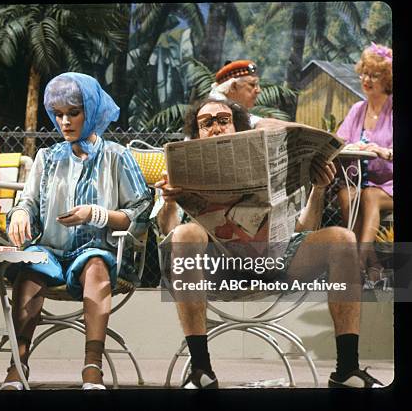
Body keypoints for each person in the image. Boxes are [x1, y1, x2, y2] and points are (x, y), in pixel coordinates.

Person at [155, 97, 384, 389]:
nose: (215, 128)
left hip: (276, 258)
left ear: (237, 127)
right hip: (218, 268)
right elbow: (168, 230)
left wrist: (318, 189)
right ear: (197, 132)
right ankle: (201, 370)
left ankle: (346, 371)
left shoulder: (273, 159)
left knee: (343, 238)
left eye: (223, 120)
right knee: (186, 235)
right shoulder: (179, 170)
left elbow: (304, 228)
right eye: (206, 123)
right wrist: (170, 203)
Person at [1, 72, 153, 390]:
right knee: (31, 264)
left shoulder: (117, 157)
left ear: (92, 111)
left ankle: (92, 367)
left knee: (94, 262)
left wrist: (96, 214)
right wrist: (18, 214)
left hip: (102, 253)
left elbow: (140, 214)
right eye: (58, 115)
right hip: (53, 252)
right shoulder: (48, 157)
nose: (65, 122)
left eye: (73, 113)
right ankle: (18, 363)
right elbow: (26, 202)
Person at [335, 43, 393, 282]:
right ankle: (374, 264)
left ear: (387, 79)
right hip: (361, 181)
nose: (367, 79)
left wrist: (382, 151)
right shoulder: (358, 109)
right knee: (346, 194)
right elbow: (338, 141)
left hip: (390, 183)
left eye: (374, 75)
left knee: (369, 195)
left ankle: (358, 260)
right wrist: (352, 147)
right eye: (364, 73)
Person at [208, 60, 294, 129]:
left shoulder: (231, 107)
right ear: (233, 87)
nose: (259, 90)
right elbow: (256, 122)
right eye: (252, 85)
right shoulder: (216, 109)